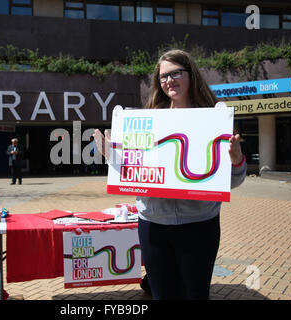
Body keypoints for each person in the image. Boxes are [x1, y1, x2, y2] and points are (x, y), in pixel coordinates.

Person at [93, 49, 247, 300]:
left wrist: (236, 160)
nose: (169, 81)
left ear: (191, 75)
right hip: (153, 224)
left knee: (194, 295)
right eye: (163, 76)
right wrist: (113, 158)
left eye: (176, 73)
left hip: (199, 225)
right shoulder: (150, 118)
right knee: (162, 295)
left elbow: (232, 181)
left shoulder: (214, 119)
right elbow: (135, 175)